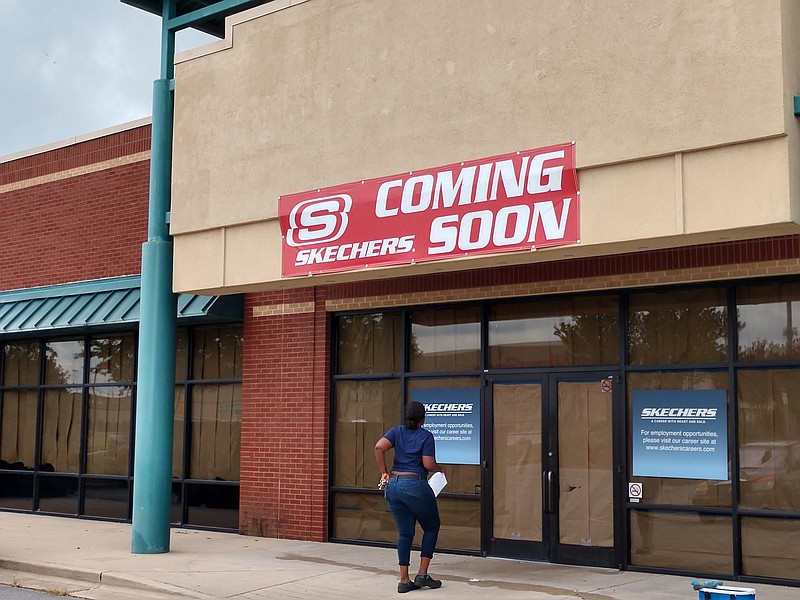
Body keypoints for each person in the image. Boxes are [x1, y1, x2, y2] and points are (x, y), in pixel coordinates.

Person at [375, 400, 446, 593]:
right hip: (414, 484)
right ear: (423, 417)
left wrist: (384, 472)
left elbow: (379, 447)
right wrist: (441, 468)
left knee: (405, 533)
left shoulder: (397, 431)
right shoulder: (426, 436)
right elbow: (428, 464)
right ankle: (422, 574)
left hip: (394, 486)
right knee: (431, 527)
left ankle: (404, 580)